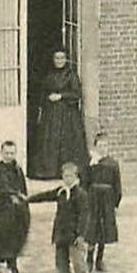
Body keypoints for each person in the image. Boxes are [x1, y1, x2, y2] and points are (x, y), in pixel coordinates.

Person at [27, 160, 95, 273]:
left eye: (70, 176)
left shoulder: (81, 194)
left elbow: (84, 216)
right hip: (60, 234)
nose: (67, 179)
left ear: (76, 177)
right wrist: (28, 200)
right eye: (65, 176)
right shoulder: (60, 192)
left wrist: (81, 235)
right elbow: (45, 196)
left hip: (74, 236)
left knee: (80, 265)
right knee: (61, 264)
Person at [29, 50, 89, 180]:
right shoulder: (49, 75)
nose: (59, 61)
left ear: (66, 59)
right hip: (51, 115)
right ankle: (50, 171)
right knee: (50, 141)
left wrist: (61, 96)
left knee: (67, 142)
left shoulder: (71, 75)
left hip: (67, 115)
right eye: (57, 58)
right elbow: (43, 93)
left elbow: (76, 94)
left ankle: (67, 172)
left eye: (62, 58)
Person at [0, 140, 30, 273]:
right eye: (7, 153)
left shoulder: (18, 169)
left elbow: (23, 187)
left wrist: (24, 202)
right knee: (6, 239)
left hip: (17, 210)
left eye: (12, 153)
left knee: (9, 240)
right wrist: (15, 195)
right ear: (2, 153)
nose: (10, 156)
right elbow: (2, 187)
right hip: (3, 210)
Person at [82, 132, 122, 273]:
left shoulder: (113, 164)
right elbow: (84, 183)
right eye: (100, 145)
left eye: (105, 145)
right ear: (95, 146)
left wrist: (116, 203)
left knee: (104, 230)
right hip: (93, 199)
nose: (103, 148)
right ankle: (89, 259)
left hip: (107, 200)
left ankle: (100, 259)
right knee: (92, 229)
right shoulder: (91, 163)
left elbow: (117, 185)